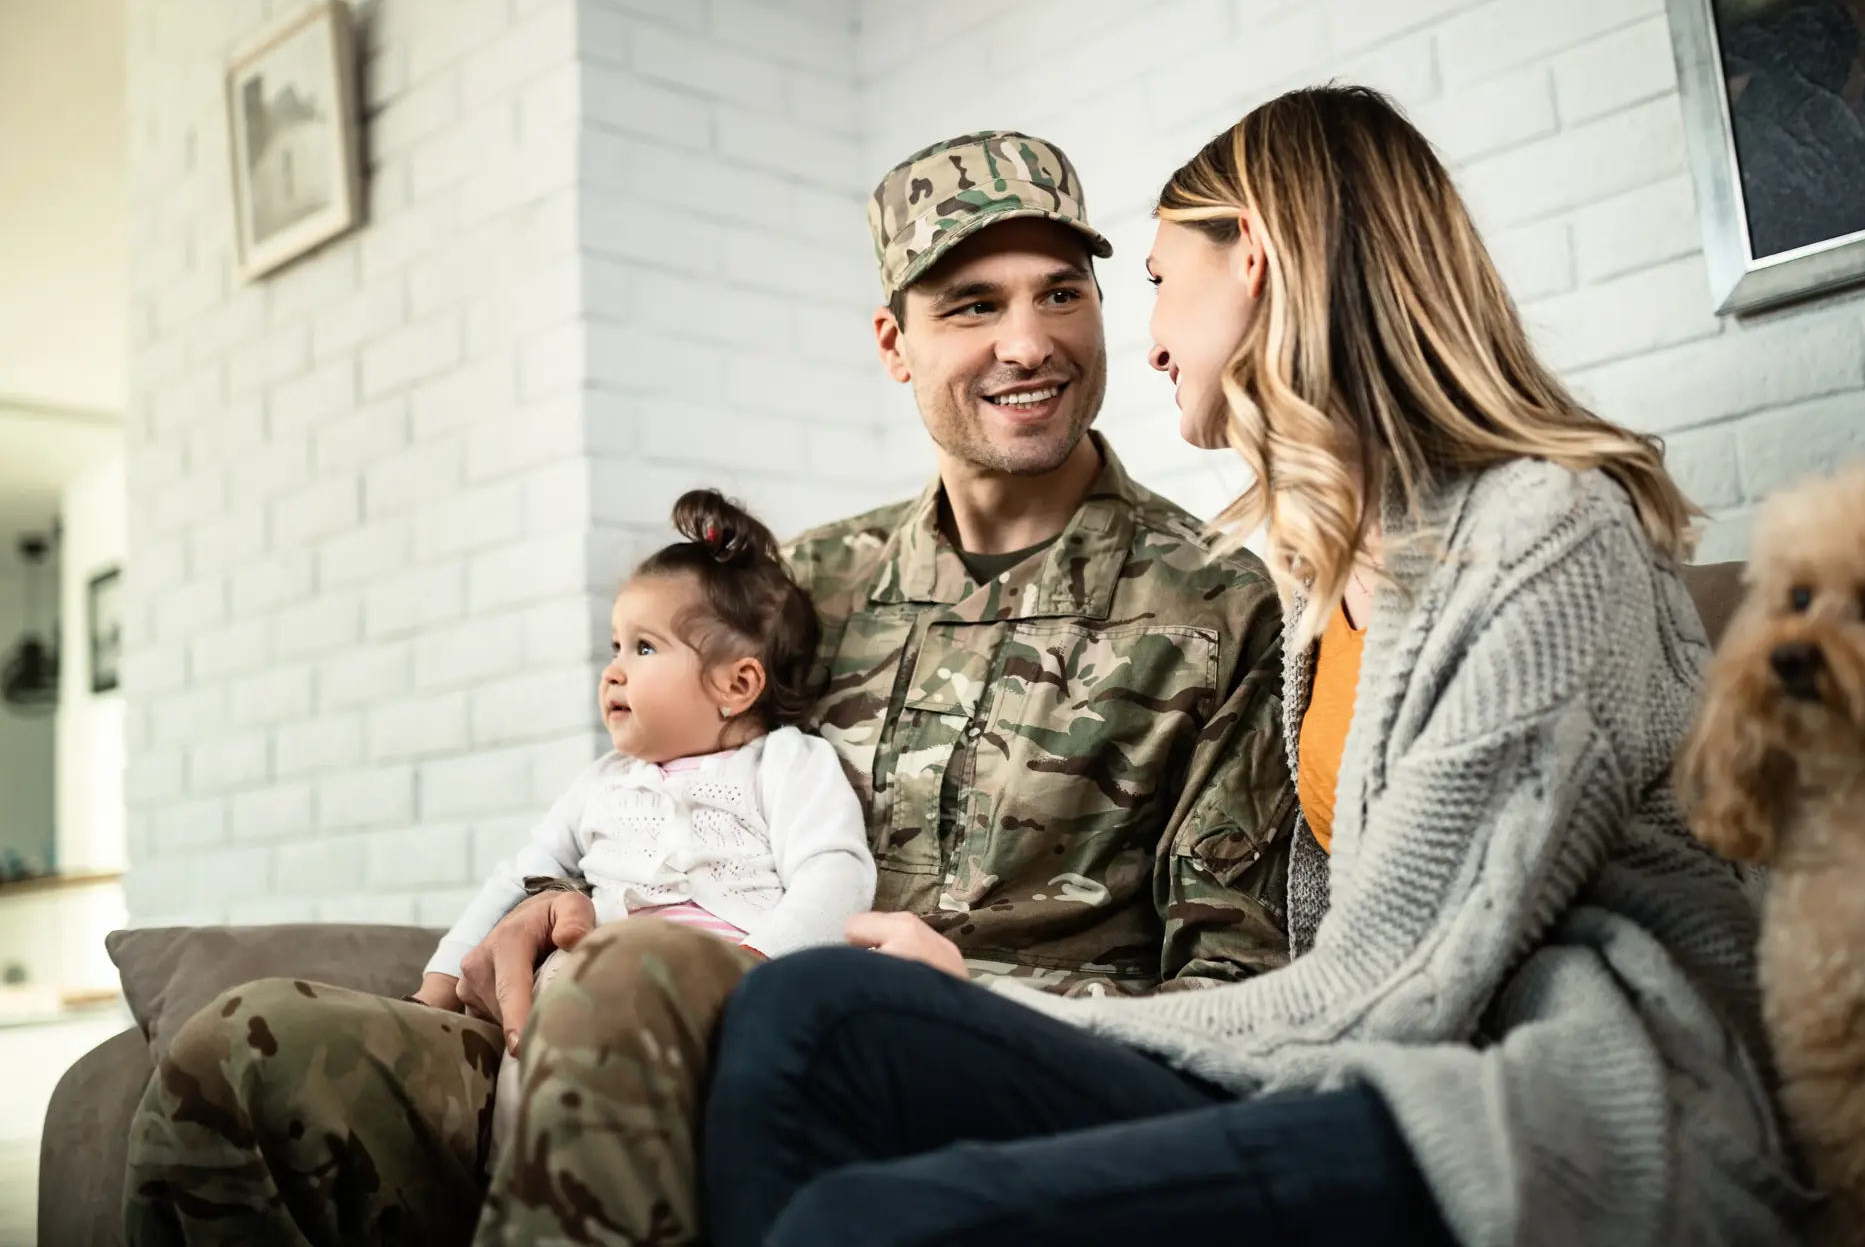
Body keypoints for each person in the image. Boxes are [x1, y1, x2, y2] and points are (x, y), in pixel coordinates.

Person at [122, 131, 1294, 1247]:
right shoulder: (802, 585)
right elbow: (651, 789)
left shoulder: (1214, 603)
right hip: (642, 1024)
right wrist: (545, 898)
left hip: (950, 1070)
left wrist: (958, 993)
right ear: (894, 343)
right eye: (973, 305)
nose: (1029, 342)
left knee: (628, 978)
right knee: (248, 1048)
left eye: (1061, 292)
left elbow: (1236, 993)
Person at [696, 86, 1812, 1247]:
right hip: (1378, 1069)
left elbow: (1396, 982)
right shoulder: (1335, 575)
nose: (1149, 340)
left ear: (1258, 263)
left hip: (1565, 1107)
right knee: (806, 1010)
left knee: (857, 1203)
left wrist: (982, 998)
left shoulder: (1545, 537)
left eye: (1154, 283)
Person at [408, 489, 874, 1159]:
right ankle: (532, 1181)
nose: (613, 671)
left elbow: (835, 875)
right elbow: (515, 881)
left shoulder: (787, 762)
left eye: (644, 648)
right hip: (588, 987)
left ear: (736, 686)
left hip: (727, 989)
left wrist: (754, 970)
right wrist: (437, 986)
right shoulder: (600, 782)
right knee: (537, 1062)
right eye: (616, 646)